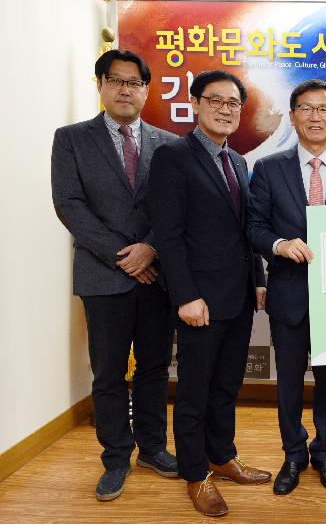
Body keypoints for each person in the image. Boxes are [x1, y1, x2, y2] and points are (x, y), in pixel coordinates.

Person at [51, 49, 178, 502]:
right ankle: (115, 457)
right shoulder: (71, 139)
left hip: (157, 274)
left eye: (134, 83)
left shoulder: (169, 143)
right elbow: (69, 204)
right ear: (101, 84)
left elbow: (176, 207)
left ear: (146, 90)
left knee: (154, 368)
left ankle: (153, 449)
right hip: (103, 276)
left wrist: (151, 249)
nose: (126, 90)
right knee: (107, 372)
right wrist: (123, 256)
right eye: (117, 80)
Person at [147, 70, 270, 517]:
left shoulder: (237, 161)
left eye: (233, 102)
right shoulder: (173, 157)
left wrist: (258, 278)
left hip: (238, 297)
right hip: (199, 299)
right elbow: (168, 234)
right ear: (196, 104)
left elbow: (244, 230)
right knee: (195, 392)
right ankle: (196, 473)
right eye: (215, 100)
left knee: (226, 386)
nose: (225, 109)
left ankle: (222, 456)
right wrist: (185, 296)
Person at [247, 79, 326, 496]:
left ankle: (325, 453)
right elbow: (253, 227)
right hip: (288, 294)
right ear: (293, 116)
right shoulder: (268, 168)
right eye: (306, 108)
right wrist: (280, 245)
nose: (315, 116)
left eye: (323, 109)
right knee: (288, 383)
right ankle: (292, 455)